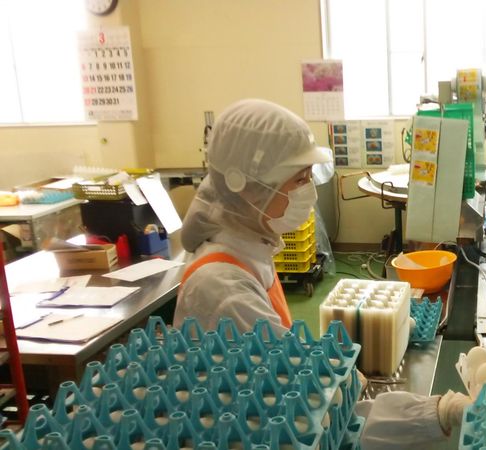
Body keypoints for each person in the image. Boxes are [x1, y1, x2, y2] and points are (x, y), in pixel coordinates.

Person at [173, 99, 470, 449]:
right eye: (299, 180)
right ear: (250, 187)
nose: (309, 192)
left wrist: (435, 412)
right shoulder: (223, 289)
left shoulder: (250, 250)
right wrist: (432, 412)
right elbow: (312, 402)